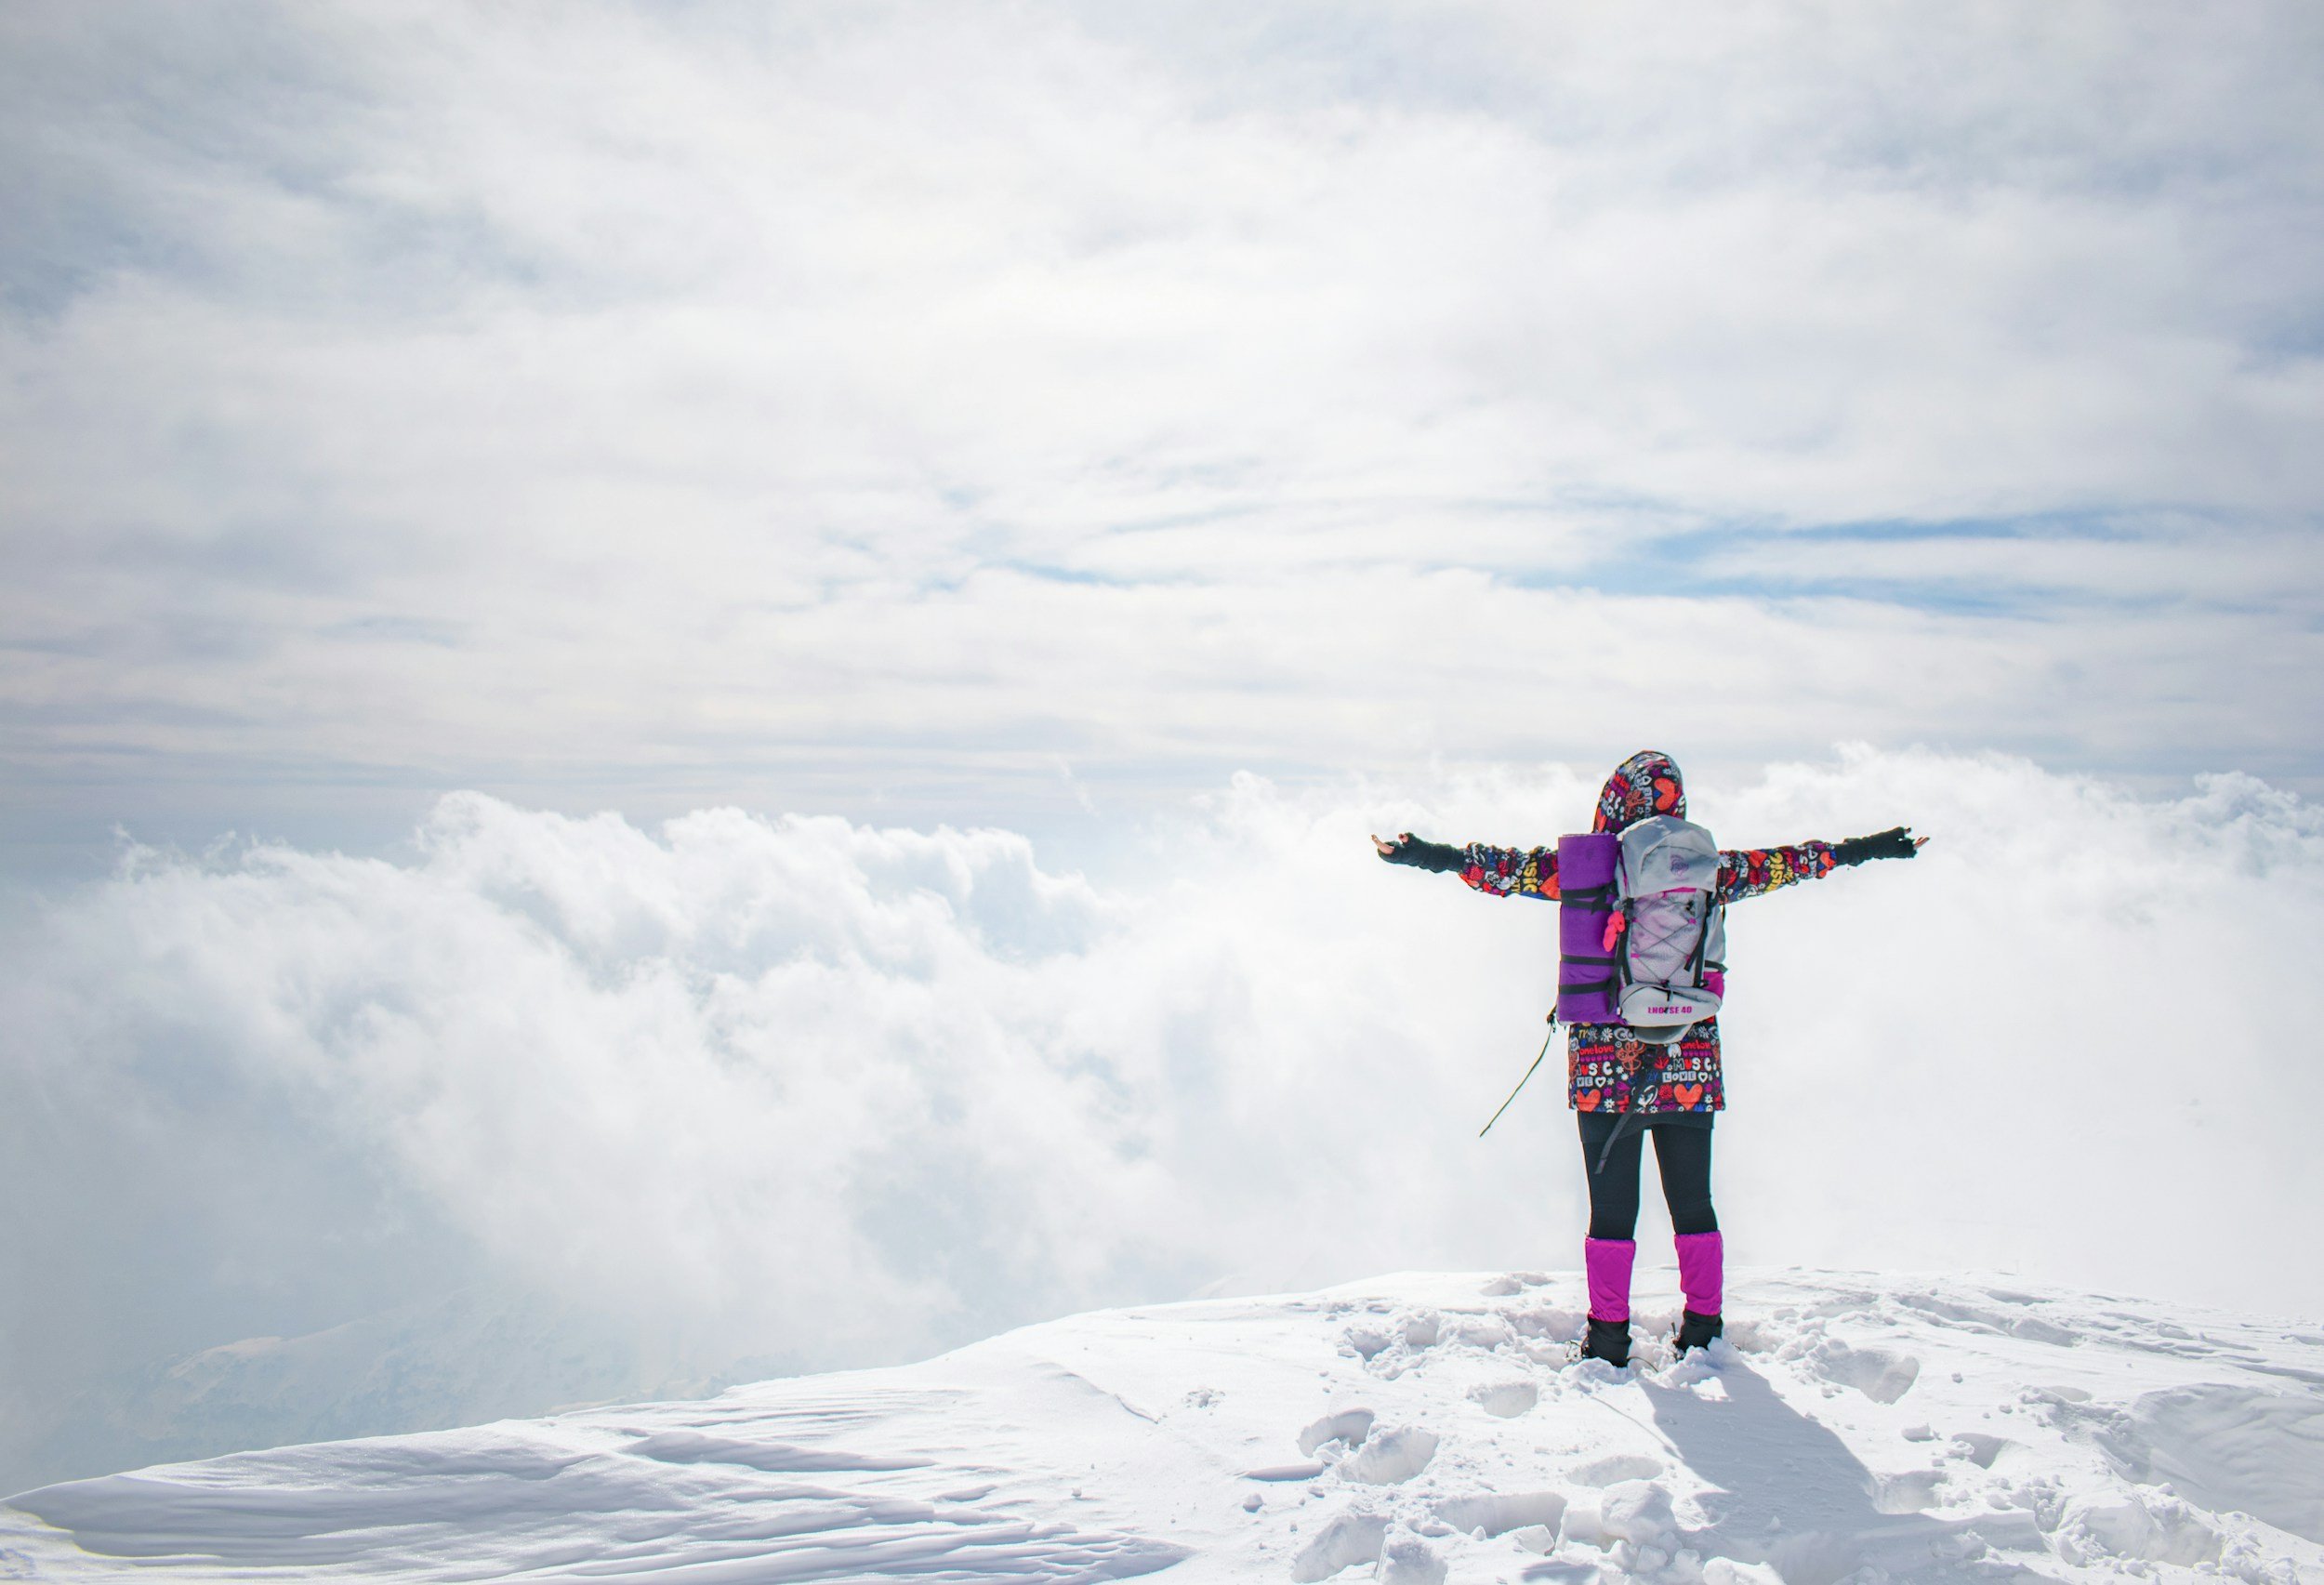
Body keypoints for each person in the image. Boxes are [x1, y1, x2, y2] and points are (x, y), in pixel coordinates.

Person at [1373, 750, 1921, 1367]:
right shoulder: (1710, 869)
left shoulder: (1586, 870)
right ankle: (1704, 1328)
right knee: (1694, 1200)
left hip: (1605, 1067)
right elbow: (1790, 864)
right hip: (1687, 1060)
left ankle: (1608, 1339)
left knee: (1612, 1210)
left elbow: (1508, 870)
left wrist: (1429, 853)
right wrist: (1870, 847)